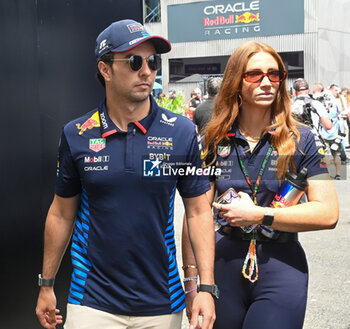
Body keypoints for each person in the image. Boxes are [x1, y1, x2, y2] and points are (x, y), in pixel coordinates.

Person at [35, 19, 216, 329]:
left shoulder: (181, 132)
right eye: (134, 61)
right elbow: (62, 213)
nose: (146, 71)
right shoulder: (77, 133)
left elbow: (199, 212)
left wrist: (204, 288)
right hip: (91, 302)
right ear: (105, 69)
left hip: (162, 300)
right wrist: (46, 284)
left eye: (153, 62)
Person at [182, 41, 339, 329]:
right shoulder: (214, 142)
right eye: (254, 74)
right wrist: (193, 283)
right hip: (222, 264)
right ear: (235, 82)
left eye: (274, 74)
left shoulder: (301, 139)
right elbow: (196, 215)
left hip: (281, 265)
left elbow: (328, 213)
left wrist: (261, 215)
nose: (267, 82)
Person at [292, 78, 332, 146]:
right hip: (315, 143)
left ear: (294, 92)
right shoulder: (317, 103)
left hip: (296, 143)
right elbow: (328, 126)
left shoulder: (290, 105)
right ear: (308, 90)